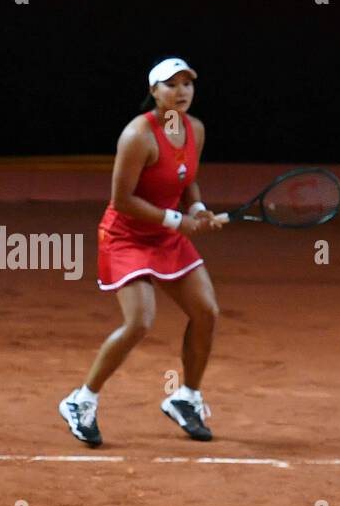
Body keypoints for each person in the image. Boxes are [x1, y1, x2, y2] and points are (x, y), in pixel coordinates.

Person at [59, 56, 223, 447]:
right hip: (126, 237)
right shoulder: (138, 136)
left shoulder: (194, 130)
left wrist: (197, 210)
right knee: (139, 322)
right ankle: (81, 401)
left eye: (187, 84)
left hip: (165, 236)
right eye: (171, 85)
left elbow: (187, 181)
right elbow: (122, 199)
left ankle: (186, 398)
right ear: (153, 91)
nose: (181, 92)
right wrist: (176, 220)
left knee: (206, 312)